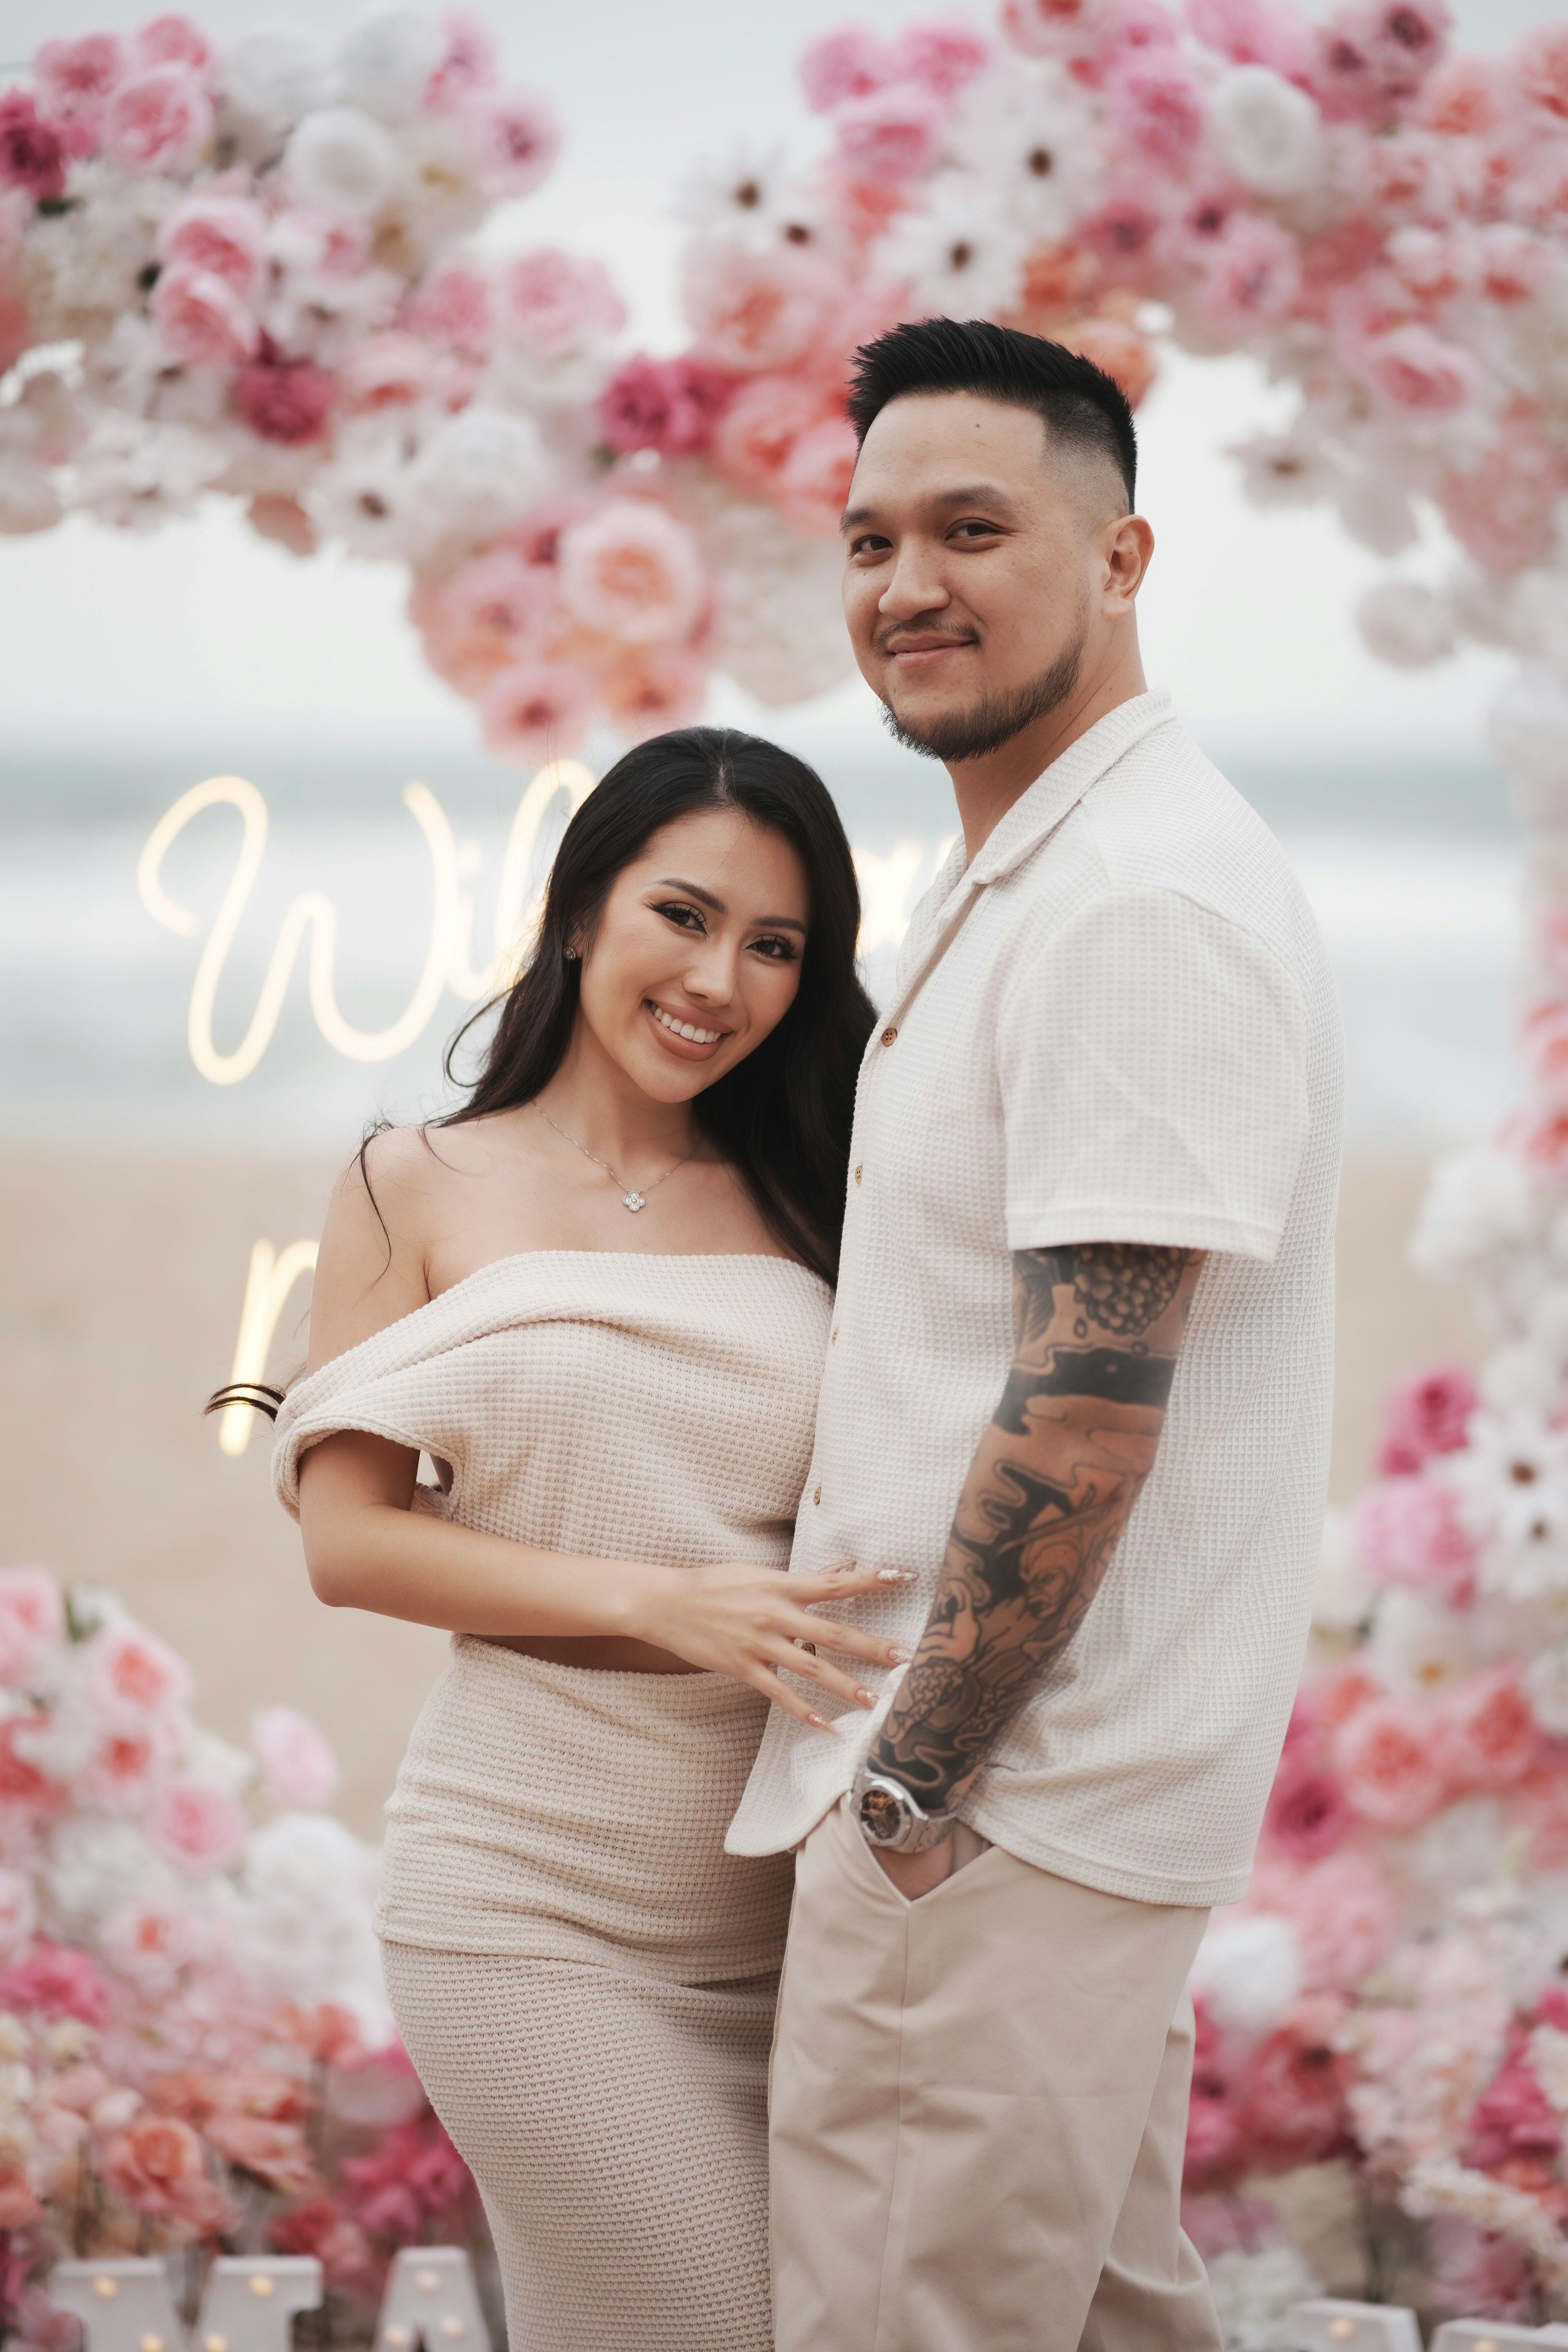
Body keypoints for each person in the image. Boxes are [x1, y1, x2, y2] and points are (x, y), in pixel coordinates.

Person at [727, 319, 1344, 2350]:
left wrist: (911, 1794)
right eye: (871, 537)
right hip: (1039, 1828)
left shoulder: (1130, 905)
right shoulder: (1042, 870)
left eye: (973, 528)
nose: (907, 585)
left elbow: (1085, 1412)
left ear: (1125, 554)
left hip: (999, 1824)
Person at [257, 729, 898, 2352]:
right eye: (682, 916)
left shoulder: (833, 1190)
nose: (719, 980)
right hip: (530, 1906)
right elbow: (351, 1541)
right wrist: (663, 1603)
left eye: (776, 946)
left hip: (801, 1932)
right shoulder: (416, 1183)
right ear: (578, 913)